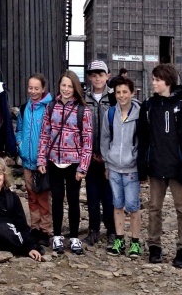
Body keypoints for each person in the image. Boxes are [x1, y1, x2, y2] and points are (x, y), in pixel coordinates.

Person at [137, 63, 182, 268]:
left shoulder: (180, 107)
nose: (153, 83)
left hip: (177, 168)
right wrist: (142, 165)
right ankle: (154, 246)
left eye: (157, 80)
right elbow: (143, 138)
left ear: (167, 82)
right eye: (153, 79)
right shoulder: (148, 106)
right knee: (154, 208)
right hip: (155, 166)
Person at [36, 70, 92, 256]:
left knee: (74, 200)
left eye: (70, 86)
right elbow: (44, 134)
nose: (66, 89)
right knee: (57, 199)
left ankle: (74, 237)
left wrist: (83, 167)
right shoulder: (51, 107)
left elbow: (87, 141)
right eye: (63, 85)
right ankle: (58, 235)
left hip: (73, 162)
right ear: (59, 86)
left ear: (75, 88)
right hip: (54, 161)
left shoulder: (83, 110)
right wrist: (41, 159)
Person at [100, 74, 143, 257]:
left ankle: (135, 242)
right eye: (118, 92)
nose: (121, 95)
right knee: (117, 204)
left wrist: (138, 160)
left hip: (132, 168)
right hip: (114, 167)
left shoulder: (140, 115)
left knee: (133, 206)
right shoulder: (110, 114)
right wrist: (106, 163)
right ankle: (119, 240)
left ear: (132, 93)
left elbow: (143, 141)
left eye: (125, 92)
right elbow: (105, 139)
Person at [84, 60, 117, 251]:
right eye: (94, 75)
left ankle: (112, 230)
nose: (97, 78)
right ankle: (93, 230)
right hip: (89, 156)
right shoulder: (84, 98)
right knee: (92, 195)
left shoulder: (113, 98)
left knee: (109, 196)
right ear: (89, 77)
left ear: (107, 76)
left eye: (101, 75)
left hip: (109, 156)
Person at [15, 73, 53, 238]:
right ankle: (35, 227)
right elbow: (19, 129)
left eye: (36, 88)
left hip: (43, 161)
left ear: (43, 89)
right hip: (27, 159)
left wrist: (45, 157)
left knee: (43, 196)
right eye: (30, 88)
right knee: (31, 195)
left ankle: (46, 229)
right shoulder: (24, 108)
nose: (33, 91)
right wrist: (20, 143)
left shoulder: (49, 108)